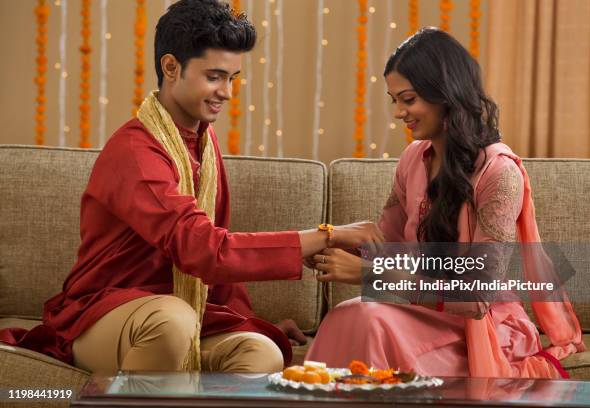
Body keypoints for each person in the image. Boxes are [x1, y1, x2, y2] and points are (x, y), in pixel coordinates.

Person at [0, 0, 384, 374]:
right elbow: (203, 249)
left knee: (260, 352)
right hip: (107, 315)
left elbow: (212, 257)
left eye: (232, 78)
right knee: (172, 321)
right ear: (171, 67)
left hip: (186, 313)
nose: (227, 93)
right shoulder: (136, 151)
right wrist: (326, 235)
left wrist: (248, 321)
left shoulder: (204, 142)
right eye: (214, 76)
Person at [306, 27, 584, 378]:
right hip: (426, 320)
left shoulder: (499, 174)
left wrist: (371, 275)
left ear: (445, 94)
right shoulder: (413, 158)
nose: (398, 113)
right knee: (349, 313)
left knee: (369, 317)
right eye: (394, 100)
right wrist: (331, 241)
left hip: (482, 331)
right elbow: (387, 247)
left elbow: (477, 297)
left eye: (408, 100)